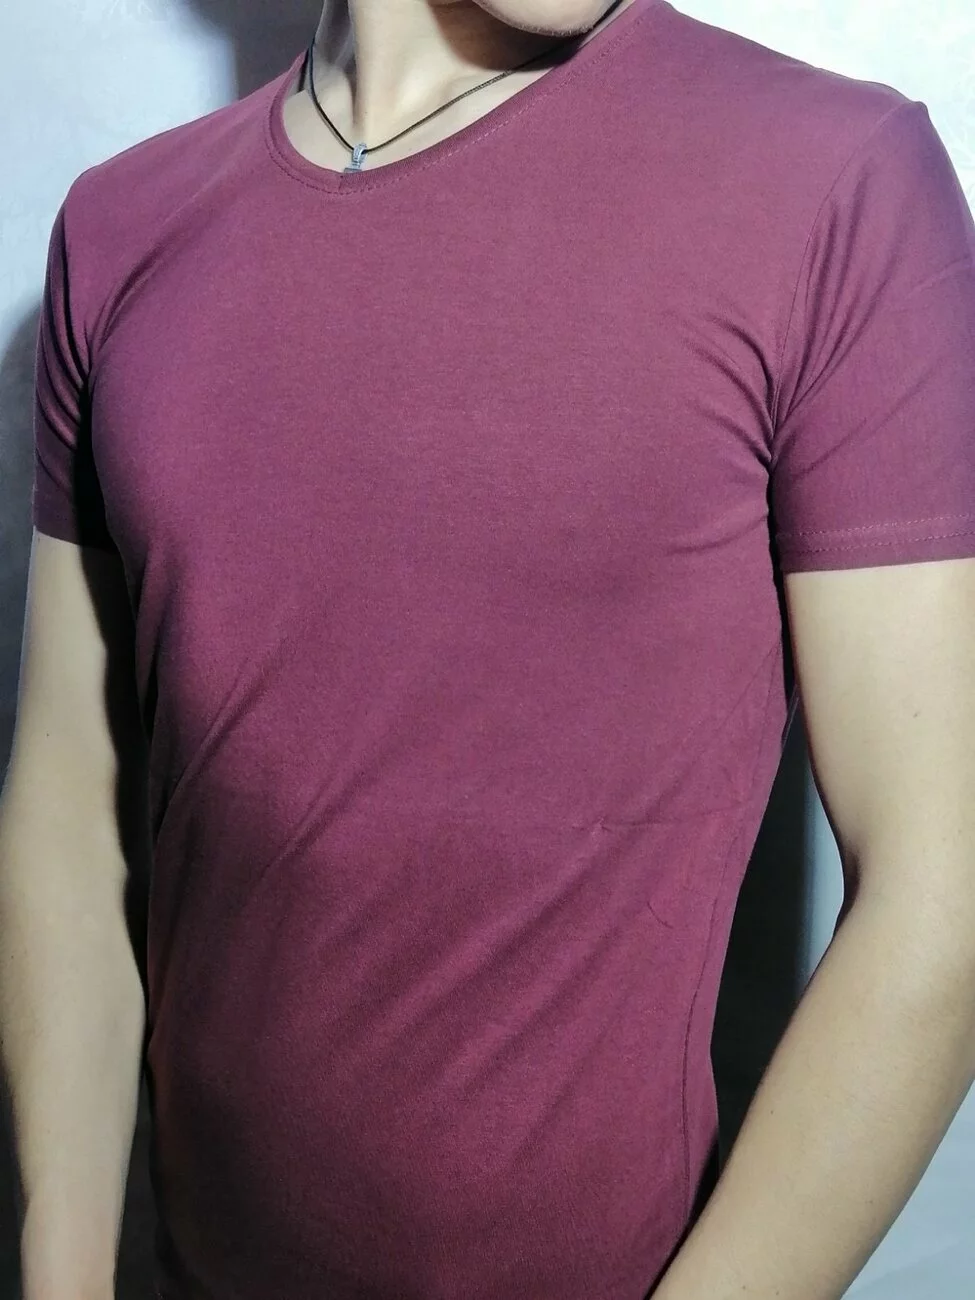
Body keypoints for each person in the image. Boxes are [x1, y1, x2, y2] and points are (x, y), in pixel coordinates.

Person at [2, 1, 975, 1297]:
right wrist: (64, 1269)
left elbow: (943, 884)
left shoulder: (830, 178)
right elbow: (74, 805)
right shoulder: (121, 224)